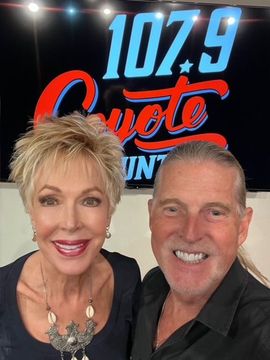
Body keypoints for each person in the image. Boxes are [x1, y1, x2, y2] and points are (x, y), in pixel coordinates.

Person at [0, 112, 141, 360]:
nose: (70, 222)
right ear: (31, 209)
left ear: (110, 209)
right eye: (50, 200)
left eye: (89, 200)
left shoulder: (128, 277)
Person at [131, 141, 270, 359]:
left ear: (242, 227)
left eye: (214, 212)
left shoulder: (262, 337)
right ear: (151, 215)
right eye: (173, 209)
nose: (190, 233)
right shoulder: (152, 284)